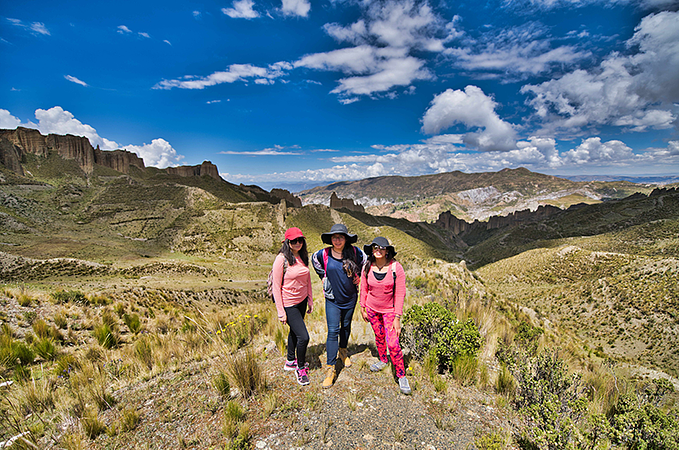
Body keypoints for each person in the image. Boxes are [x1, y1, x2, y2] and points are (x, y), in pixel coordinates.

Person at [312, 224, 365, 388]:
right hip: (333, 299)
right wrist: (322, 276)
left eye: (341, 237)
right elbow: (314, 259)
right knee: (333, 330)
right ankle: (331, 369)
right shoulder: (324, 254)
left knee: (346, 325)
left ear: (346, 239)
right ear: (331, 239)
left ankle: (343, 351)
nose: (337, 240)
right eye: (334, 237)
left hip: (350, 297)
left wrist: (359, 276)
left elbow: (365, 262)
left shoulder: (355, 252)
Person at [359, 236, 411, 395]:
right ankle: (383, 360)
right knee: (379, 336)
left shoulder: (396, 267)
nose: (378, 250)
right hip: (372, 309)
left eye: (382, 248)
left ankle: (401, 375)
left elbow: (400, 293)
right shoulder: (367, 266)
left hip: (389, 311)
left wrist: (397, 317)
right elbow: (364, 287)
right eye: (375, 247)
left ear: (387, 250)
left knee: (393, 343)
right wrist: (362, 306)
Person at [272, 227, 313, 386]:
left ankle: (290, 361)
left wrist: (310, 299)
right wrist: (281, 312)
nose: (298, 243)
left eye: (300, 240)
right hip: (289, 304)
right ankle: (300, 368)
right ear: (287, 242)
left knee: (295, 332)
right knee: (304, 337)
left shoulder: (302, 257)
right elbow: (276, 287)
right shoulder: (281, 259)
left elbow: (307, 280)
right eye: (294, 241)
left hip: (302, 301)